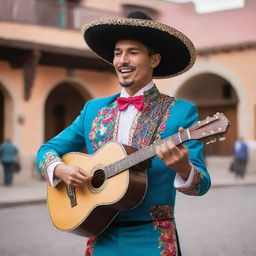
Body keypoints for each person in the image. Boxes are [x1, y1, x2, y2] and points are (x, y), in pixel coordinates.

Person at [36, 11, 211, 256]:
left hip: (154, 238)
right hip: (100, 236)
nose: (122, 60)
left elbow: (201, 184)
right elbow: (46, 150)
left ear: (154, 60)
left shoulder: (182, 113)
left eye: (133, 52)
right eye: (118, 53)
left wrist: (183, 168)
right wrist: (60, 169)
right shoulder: (93, 110)